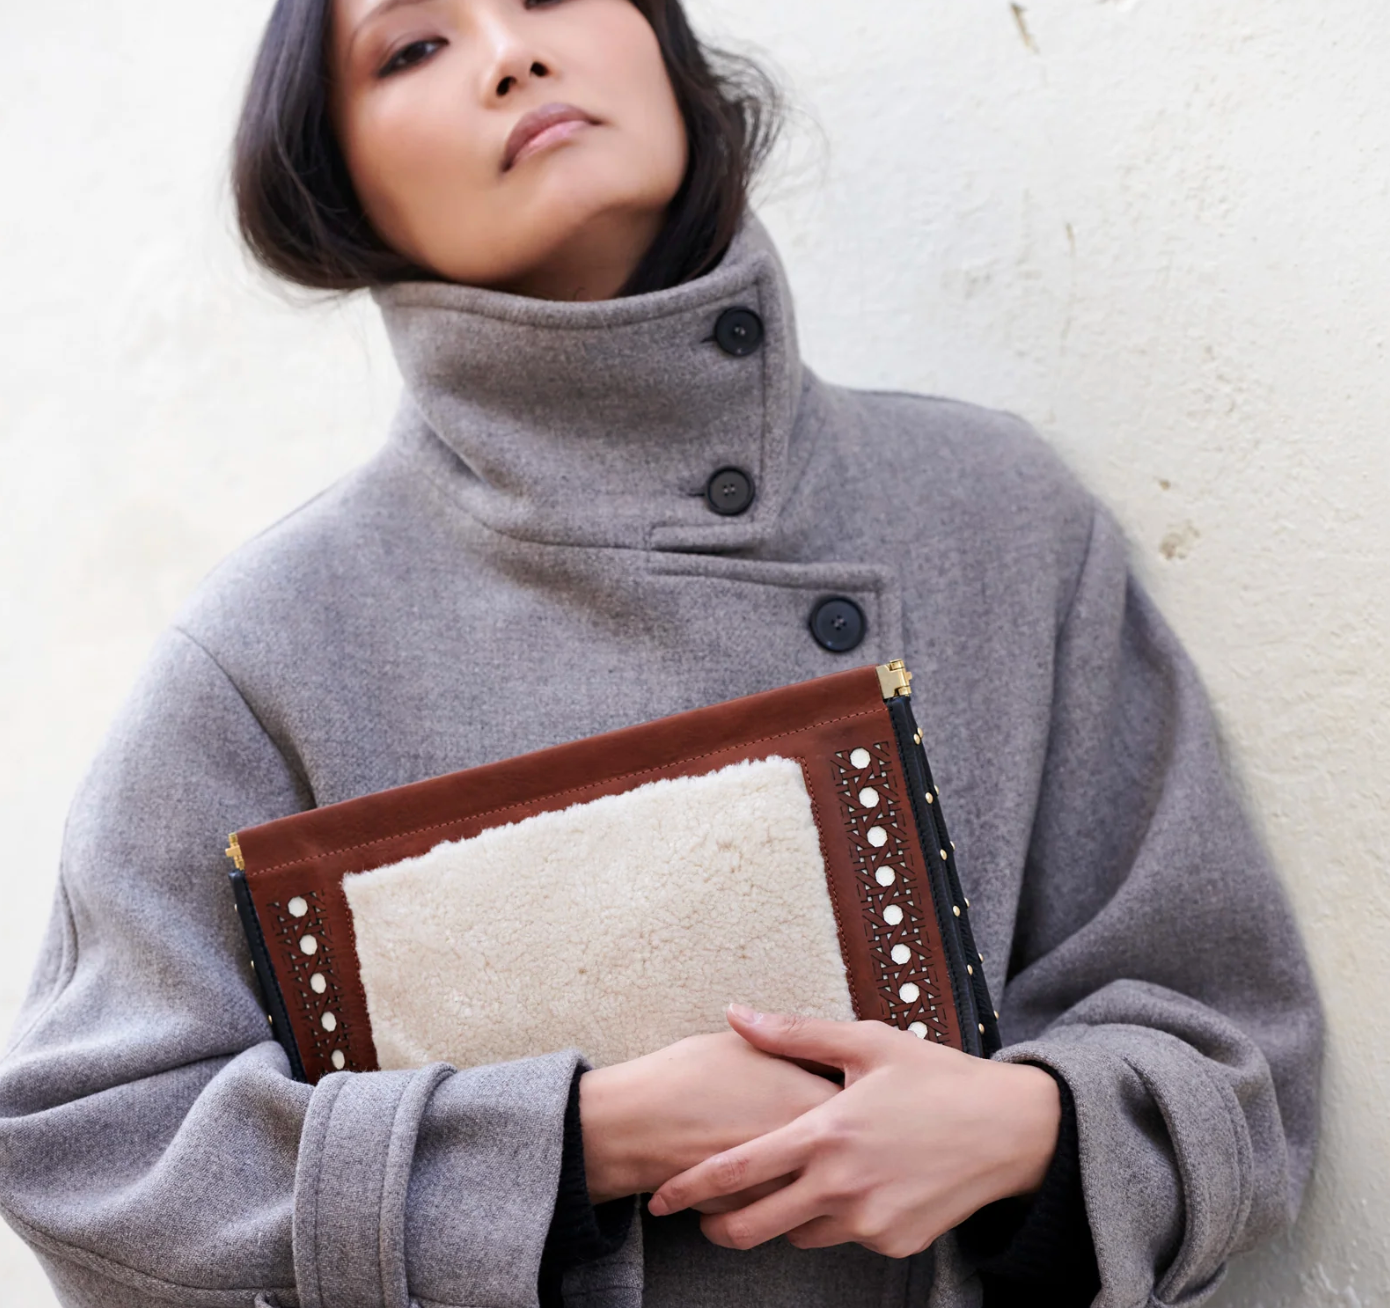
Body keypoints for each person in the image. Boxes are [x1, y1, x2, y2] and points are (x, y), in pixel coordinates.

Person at [0, 1, 1322, 1305]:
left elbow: (1234, 1051)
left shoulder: (993, 513)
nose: (507, 53)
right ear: (335, 189)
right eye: (413, 46)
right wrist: (579, 1140)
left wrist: (1023, 1134)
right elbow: (90, 1151)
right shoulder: (278, 639)